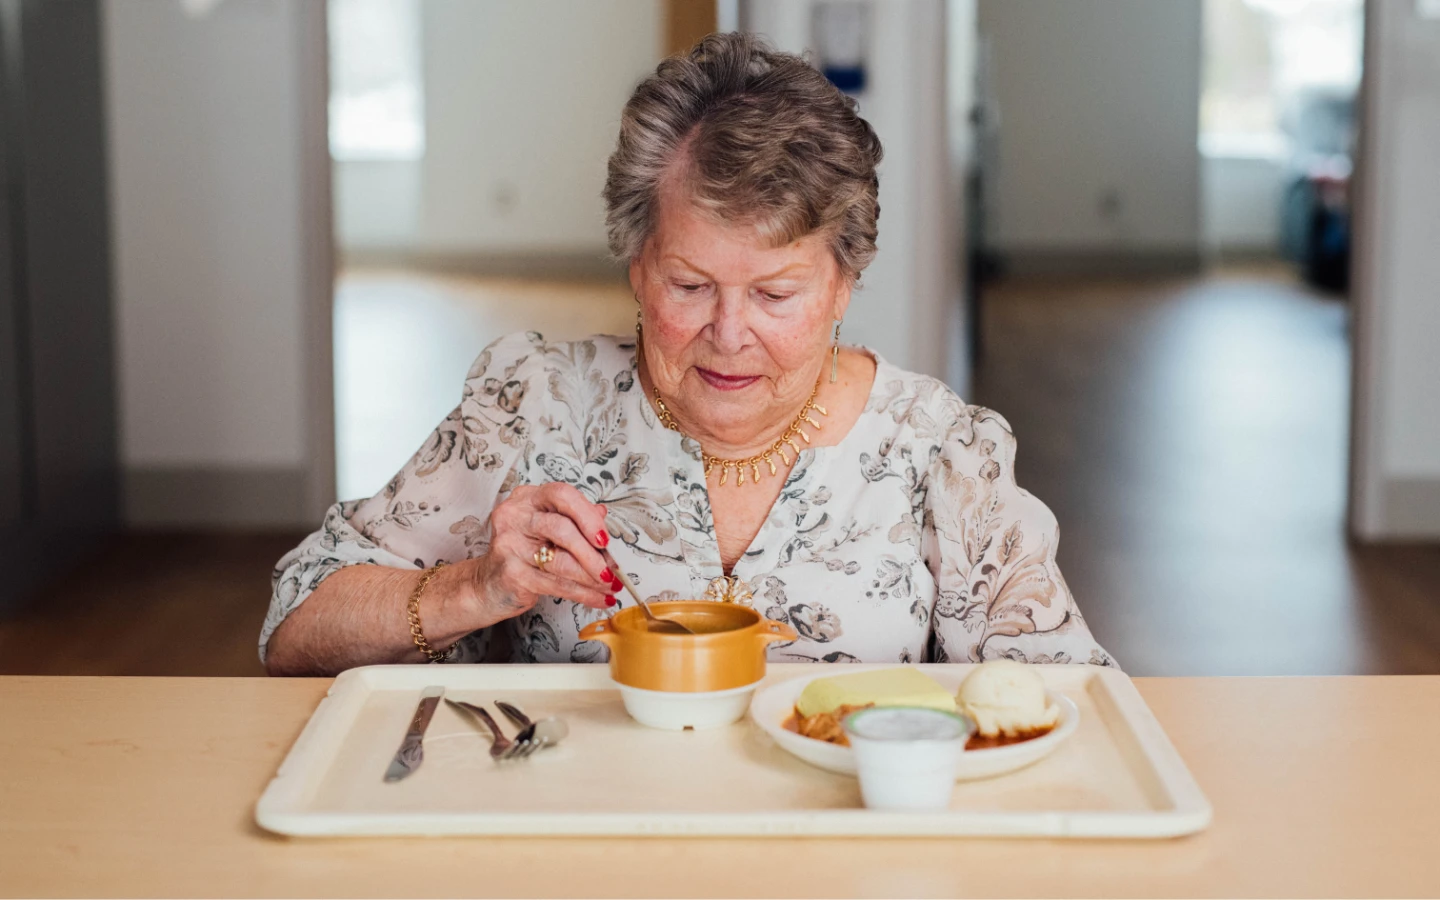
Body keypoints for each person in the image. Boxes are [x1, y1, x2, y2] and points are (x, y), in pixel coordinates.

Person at [262, 32, 1114, 676]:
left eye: (775, 294)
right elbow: (294, 627)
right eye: (690, 284)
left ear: (844, 283)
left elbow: (1071, 696)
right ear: (637, 266)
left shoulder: (935, 448)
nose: (730, 333)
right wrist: (474, 588)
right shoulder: (538, 401)